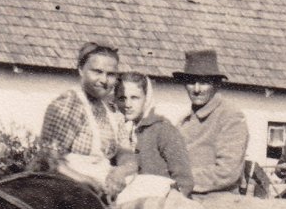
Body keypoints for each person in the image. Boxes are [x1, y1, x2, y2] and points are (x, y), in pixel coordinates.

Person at [40, 42, 137, 197]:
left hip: (105, 182)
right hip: (69, 185)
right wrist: (86, 181)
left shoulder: (112, 112)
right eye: (97, 72)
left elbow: (127, 154)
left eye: (110, 74)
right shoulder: (68, 105)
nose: (104, 80)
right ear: (81, 70)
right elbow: (50, 161)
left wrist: (121, 172)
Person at [175, 49, 249, 198]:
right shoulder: (184, 121)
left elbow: (227, 172)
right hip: (185, 197)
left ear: (216, 84)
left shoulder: (231, 117)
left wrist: (180, 180)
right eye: (191, 82)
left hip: (218, 201)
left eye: (203, 82)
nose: (196, 89)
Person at [116, 72, 194, 197]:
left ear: (146, 99)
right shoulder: (119, 130)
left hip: (161, 204)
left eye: (134, 98)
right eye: (122, 98)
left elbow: (185, 181)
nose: (127, 105)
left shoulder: (163, 129)